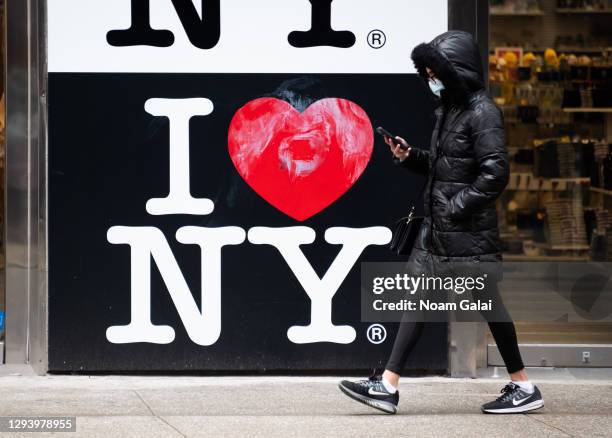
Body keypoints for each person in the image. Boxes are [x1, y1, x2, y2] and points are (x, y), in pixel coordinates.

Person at [338, 31, 544, 415]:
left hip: (464, 232)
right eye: (428, 73)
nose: (431, 81)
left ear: (457, 72)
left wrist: (454, 205)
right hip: (443, 231)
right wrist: (410, 155)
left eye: (437, 73)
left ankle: (523, 384)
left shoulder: (482, 112)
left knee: (488, 305)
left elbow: (495, 172)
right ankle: (388, 384)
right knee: (422, 298)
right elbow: (445, 168)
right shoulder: (452, 109)